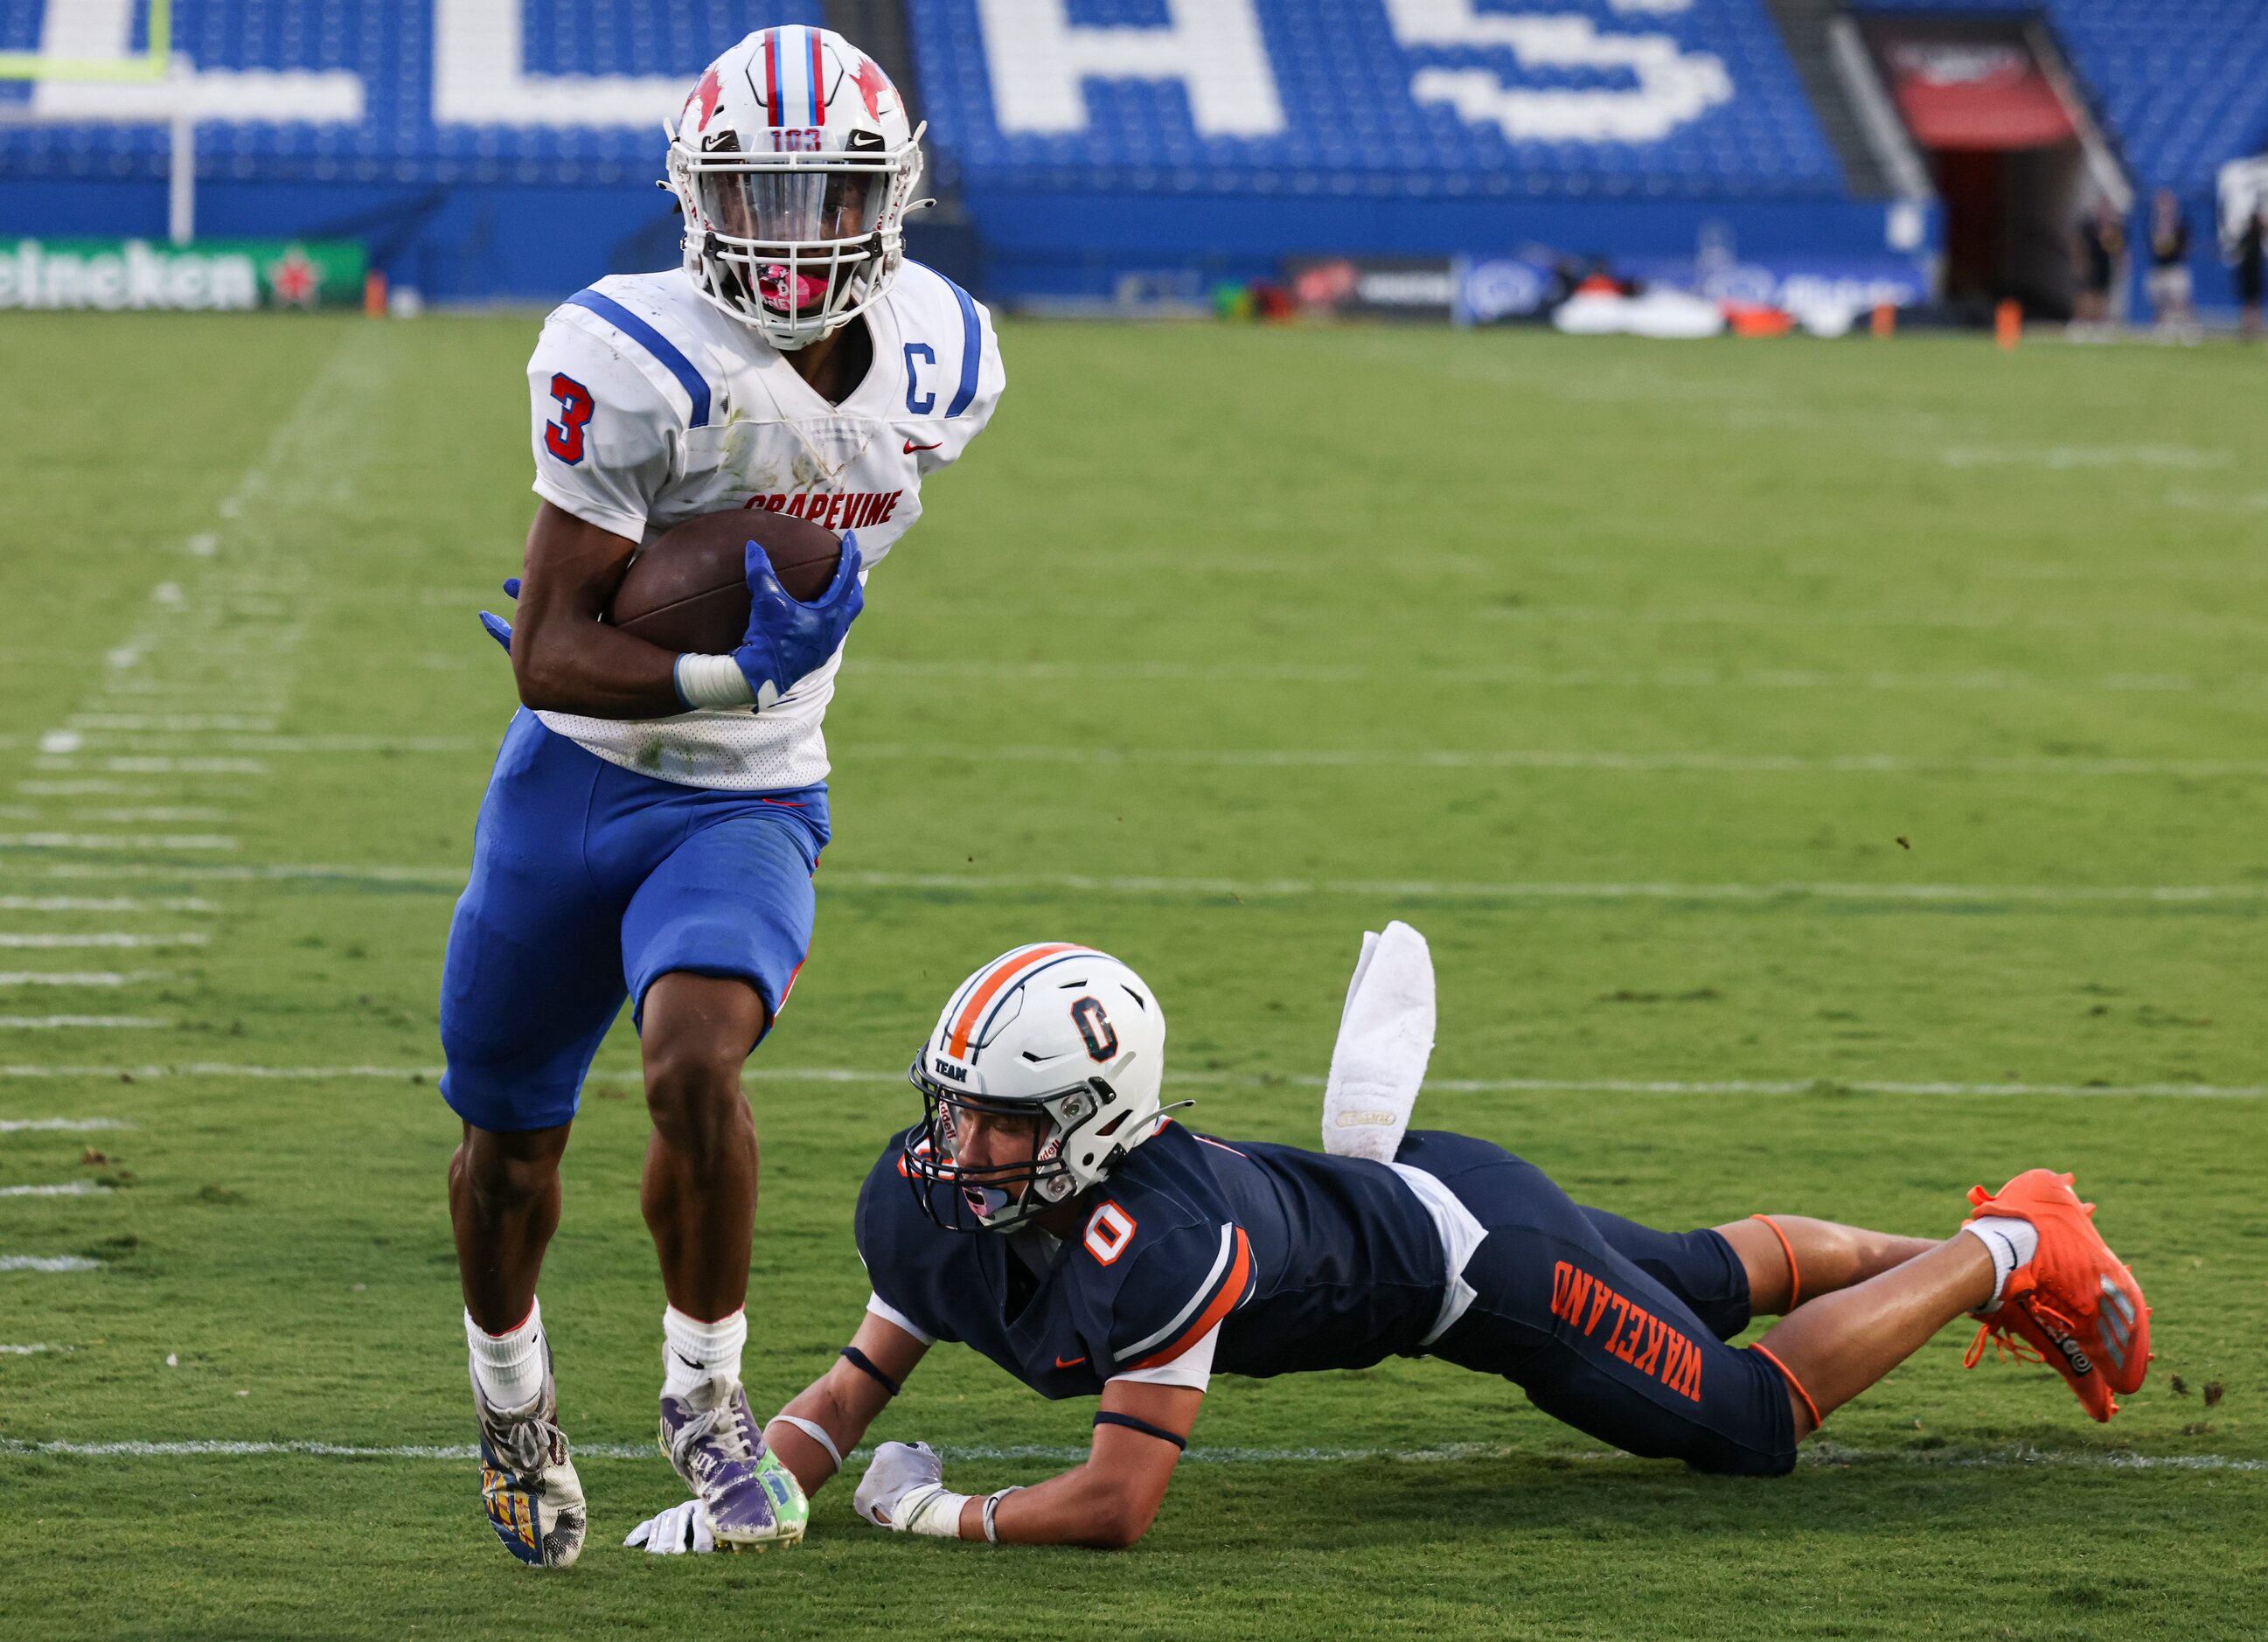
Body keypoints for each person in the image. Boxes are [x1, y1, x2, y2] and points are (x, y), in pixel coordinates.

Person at [625, 936, 2152, 1555]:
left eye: (996, 1122)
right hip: (1417, 1195)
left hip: (1468, 1268)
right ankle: (2014, 1254)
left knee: (1744, 1421)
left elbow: (1114, 1499)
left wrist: (937, 1515)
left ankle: (2006, 1238)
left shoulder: (1153, 1235)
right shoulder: (934, 1197)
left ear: (1091, 1121)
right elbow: (855, 1376)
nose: (955, 1147)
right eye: (953, 1112)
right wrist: (752, 1491)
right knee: (1690, 1274)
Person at [443, 24, 1005, 1569]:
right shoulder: (627, 351)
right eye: (757, 192)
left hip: (749, 800)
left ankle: (705, 1388)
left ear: (889, 202)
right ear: (697, 197)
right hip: (578, 782)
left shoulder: (950, 358)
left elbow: (813, 526)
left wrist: (748, 663)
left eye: (827, 196)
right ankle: (511, 1394)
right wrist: (712, 665)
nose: (791, 233)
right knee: (507, 1149)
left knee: (697, 1059)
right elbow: (550, 657)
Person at [2146, 190, 2195, 330]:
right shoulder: (2152, 222)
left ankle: (2189, 327)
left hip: (2175, 267)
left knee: (2181, 301)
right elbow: (2151, 246)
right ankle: (2160, 328)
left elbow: (2187, 244)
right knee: (2159, 302)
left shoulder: (2180, 223)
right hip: (2158, 268)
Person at [2237, 206, 2266, 342]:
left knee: (2252, 302)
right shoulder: (2250, 235)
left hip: (2252, 273)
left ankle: (2252, 328)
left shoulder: (2255, 234)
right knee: (2251, 302)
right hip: (2249, 274)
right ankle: (2250, 328)